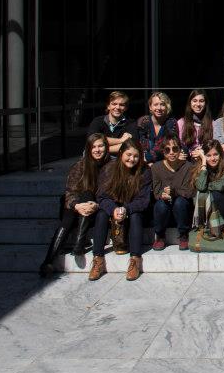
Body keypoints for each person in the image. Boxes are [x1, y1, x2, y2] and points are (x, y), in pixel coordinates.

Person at [38, 133, 108, 277]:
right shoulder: (80, 165)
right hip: (75, 209)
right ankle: (50, 260)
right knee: (72, 211)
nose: (97, 150)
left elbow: (110, 193)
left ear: (106, 147)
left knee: (88, 195)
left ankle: (76, 244)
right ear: (88, 149)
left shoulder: (111, 166)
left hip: (97, 209)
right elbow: (70, 192)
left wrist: (95, 204)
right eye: (93, 147)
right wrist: (77, 205)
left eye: (100, 146)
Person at [88, 140, 152, 281]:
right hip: (113, 206)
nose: (132, 159)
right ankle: (98, 259)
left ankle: (135, 260)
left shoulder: (145, 171)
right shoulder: (109, 169)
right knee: (101, 214)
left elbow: (143, 200)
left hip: (135, 208)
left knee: (136, 216)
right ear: (121, 153)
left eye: (136, 156)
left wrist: (126, 209)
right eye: (128, 155)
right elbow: (102, 196)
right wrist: (113, 209)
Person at [150, 135, 195, 252]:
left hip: (182, 206)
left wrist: (173, 191)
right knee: (160, 204)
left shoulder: (188, 167)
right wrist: (162, 194)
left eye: (175, 149)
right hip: (165, 205)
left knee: (180, 202)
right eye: (167, 149)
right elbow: (156, 191)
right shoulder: (156, 168)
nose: (171, 152)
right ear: (163, 151)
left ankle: (183, 234)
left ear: (180, 150)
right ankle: (160, 235)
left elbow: (189, 191)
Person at [192, 139, 224, 228]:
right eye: (208, 155)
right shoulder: (200, 167)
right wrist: (204, 163)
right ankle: (206, 226)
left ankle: (218, 227)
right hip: (206, 206)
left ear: (221, 154)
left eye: (216, 154)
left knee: (216, 194)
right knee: (203, 194)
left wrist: (206, 187)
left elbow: (220, 186)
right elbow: (200, 187)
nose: (213, 158)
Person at [87, 91, 135, 155]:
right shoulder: (97, 121)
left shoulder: (131, 123)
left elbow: (130, 146)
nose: (117, 107)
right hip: (96, 156)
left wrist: (102, 149)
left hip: (117, 158)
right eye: (114, 104)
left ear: (125, 108)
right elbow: (92, 140)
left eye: (121, 105)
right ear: (108, 106)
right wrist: (120, 140)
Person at [136, 91, 178, 164]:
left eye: (162, 105)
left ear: (167, 106)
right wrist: (147, 161)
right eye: (155, 104)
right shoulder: (143, 122)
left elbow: (169, 146)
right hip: (143, 163)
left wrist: (149, 158)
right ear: (150, 107)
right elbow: (141, 144)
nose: (159, 108)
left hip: (165, 162)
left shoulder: (171, 122)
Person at [178, 89, 213, 161]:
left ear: (205, 103)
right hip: (187, 159)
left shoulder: (212, 123)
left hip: (206, 158)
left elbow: (214, 144)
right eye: (195, 101)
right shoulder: (181, 123)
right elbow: (179, 144)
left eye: (201, 101)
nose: (198, 104)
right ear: (190, 103)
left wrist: (202, 151)